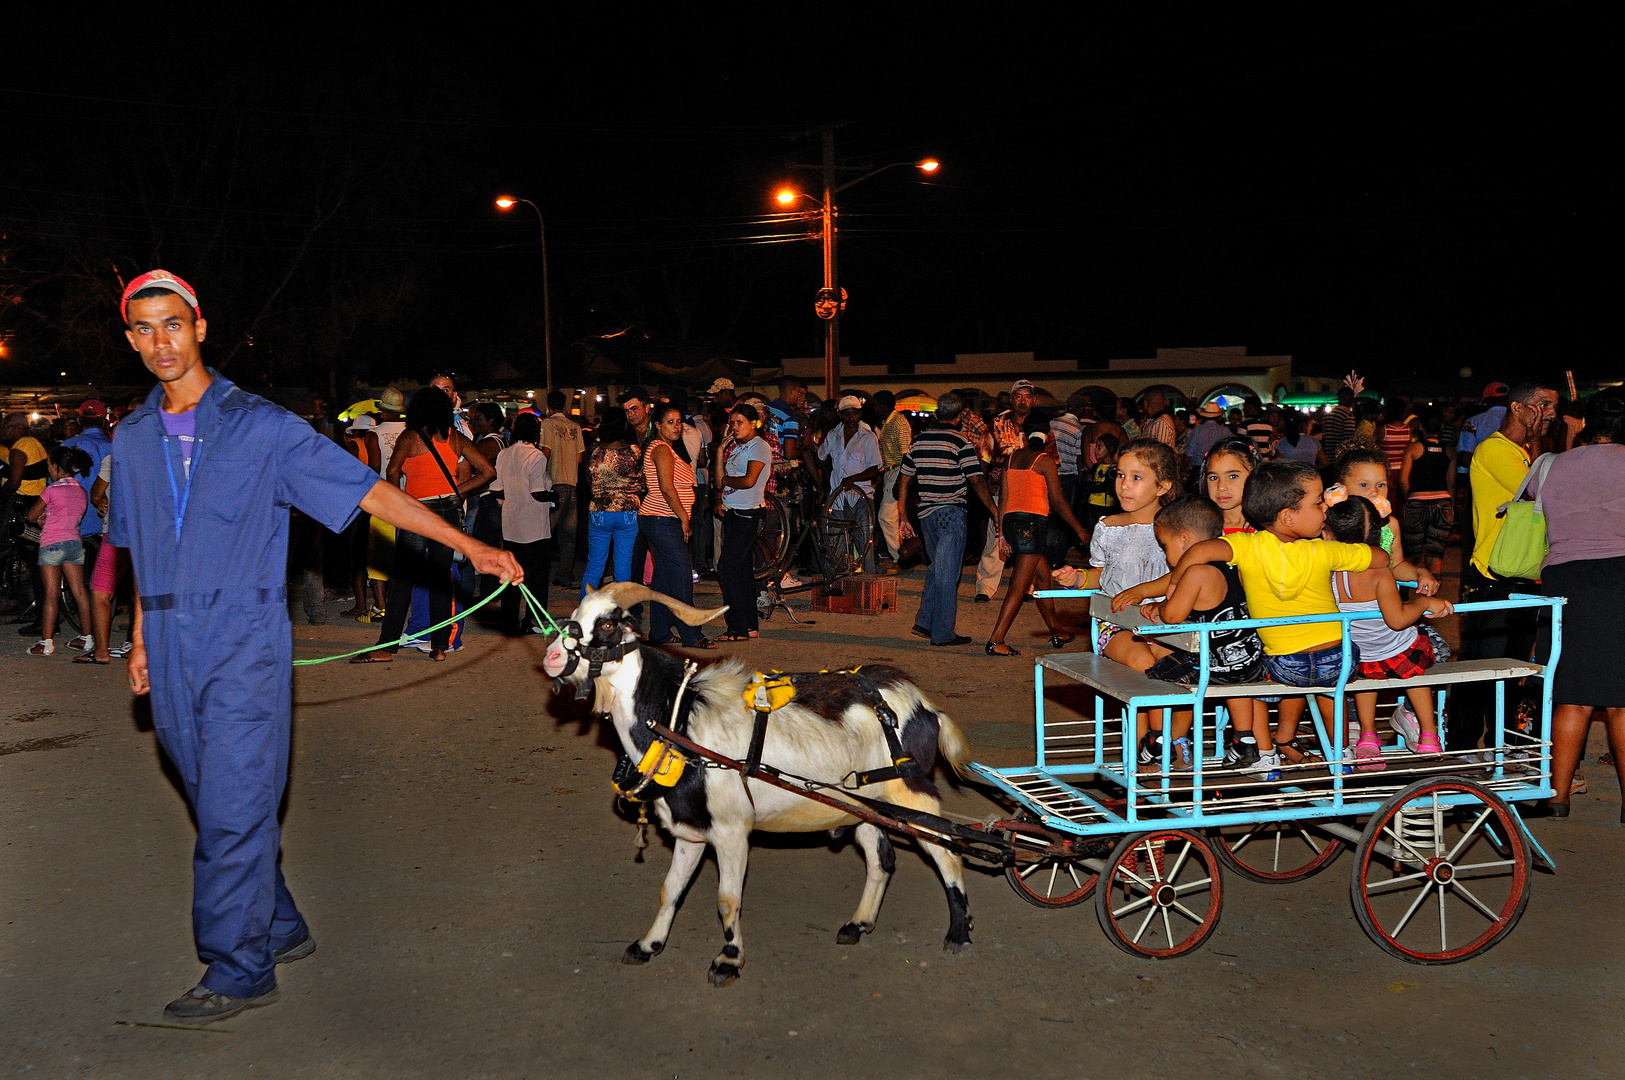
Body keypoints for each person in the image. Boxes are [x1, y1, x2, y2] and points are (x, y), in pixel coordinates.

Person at [110, 270, 519, 1024]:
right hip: (166, 637)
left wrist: (467, 546)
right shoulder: (130, 436)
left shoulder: (262, 426)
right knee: (213, 793)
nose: (159, 342)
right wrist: (139, 635)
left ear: (200, 326)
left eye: (172, 324)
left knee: (232, 805)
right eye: (143, 329)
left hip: (241, 635)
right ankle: (279, 921)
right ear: (130, 337)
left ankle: (238, 966)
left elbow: (369, 491)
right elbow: (137, 548)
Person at [1160, 460, 1386, 766]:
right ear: (1288, 517)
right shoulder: (1324, 551)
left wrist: (1174, 585)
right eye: (1318, 502)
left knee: (1252, 674)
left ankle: (1263, 752)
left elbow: (1199, 551)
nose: (1325, 510)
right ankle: (1341, 752)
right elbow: (1380, 558)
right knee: (1332, 692)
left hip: (1284, 665)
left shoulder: (1248, 546)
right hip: (1338, 659)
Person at [1528, 393, 1625, 817]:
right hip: (1621, 577)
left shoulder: (1550, 464)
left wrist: (1565, 442)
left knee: (1571, 692)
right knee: (1622, 700)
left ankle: (1557, 796)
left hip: (1565, 579)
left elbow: (1526, 503)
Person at [350, 386, 496, 663]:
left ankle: (386, 646)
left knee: (403, 580)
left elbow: (392, 471)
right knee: (441, 579)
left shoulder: (410, 436)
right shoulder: (455, 438)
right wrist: (460, 490)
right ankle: (439, 646)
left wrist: (398, 504)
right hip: (448, 512)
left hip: (418, 512)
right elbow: (489, 472)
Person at [1452, 380, 1558, 751]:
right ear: (1518, 408)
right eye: (1544, 405)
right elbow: (1539, 492)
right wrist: (1540, 444)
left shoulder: (1523, 453)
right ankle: (1461, 749)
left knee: (1512, 669)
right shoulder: (1495, 449)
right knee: (1480, 669)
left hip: (1522, 573)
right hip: (1492, 577)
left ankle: (1500, 745)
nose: (1551, 414)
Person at [1137, 496, 1275, 776]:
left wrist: (1157, 606)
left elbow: (1173, 616)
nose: (1165, 554)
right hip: (1250, 658)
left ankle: (1158, 736)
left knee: (1158, 673)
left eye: (1165, 546)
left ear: (1185, 540)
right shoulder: (1232, 563)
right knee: (1237, 682)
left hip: (1213, 665)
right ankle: (1245, 738)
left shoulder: (1196, 573)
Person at [1324, 496, 1453, 769]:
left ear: (1328, 533)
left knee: (1365, 678)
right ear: (1377, 535)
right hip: (1397, 649)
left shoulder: (1329, 573)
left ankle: (1368, 736)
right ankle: (1428, 733)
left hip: (1359, 656)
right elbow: (1397, 620)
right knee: (1416, 670)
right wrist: (1424, 603)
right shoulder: (1380, 573)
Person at [895, 392, 998, 648]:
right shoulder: (960, 441)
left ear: (936, 413)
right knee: (947, 575)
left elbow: (904, 480)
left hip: (926, 515)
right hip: (950, 513)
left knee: (937, 568)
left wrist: (904, 517)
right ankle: (942, 633)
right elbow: (976, 480)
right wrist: (995, 512)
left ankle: (925, 621)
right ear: (961, 415)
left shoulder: (918, 441)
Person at [984, 419, 1089, 657]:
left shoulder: (1010, 458)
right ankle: (996, 639)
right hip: (1031, 525)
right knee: (1019, 587)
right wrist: (1079, 529)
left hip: (1012, 523)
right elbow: (1059, 501)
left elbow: (1003, 498)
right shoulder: (1044, 461)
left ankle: (1057, 631)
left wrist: (1002, 534)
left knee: (1042, 577)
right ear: (1048, 436)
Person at [1074, 438, 1182, 670]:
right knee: (1142, 662)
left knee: (1173, 666)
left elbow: (1184, 575)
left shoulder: (1179, 529)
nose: (1124, 485)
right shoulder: (1108, 527)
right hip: (1117, 623)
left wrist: (1143, 592)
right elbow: (1101, 575)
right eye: (1121, 475)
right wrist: (1077, 578)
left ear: (1162, 486)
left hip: (1163, 619)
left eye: (1136, 477)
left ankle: (1162, 707)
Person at [639, 403, 712, 649]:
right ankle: (692, 634)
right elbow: (667, 489)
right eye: (669, 422)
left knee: (663, 578)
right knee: (682, 576)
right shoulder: (660, 449)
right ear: (658, 426)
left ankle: (659, 632)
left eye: (679, 421)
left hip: (662, 518)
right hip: (662, 518)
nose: (676, 426)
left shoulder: (667, 449)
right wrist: (684, 518)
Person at [1324, 448, 1440, 596]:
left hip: (1382, 605)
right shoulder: (1330, 525)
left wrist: (1420, 572)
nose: (1375, 492)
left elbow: (1396, 565)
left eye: (1381, 485)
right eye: (1364, 485)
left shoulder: (1390, 525)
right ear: (1339, 490)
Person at [25, 446, 94, 655]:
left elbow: (31, 516)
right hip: (74, 543)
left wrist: (42, 518)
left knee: (52, 594)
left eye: (49, 466)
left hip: (52, 544)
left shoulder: (51, 490)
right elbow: (74, 517)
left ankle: (46, 643)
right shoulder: (81, 492)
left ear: (55, 467)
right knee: (80, 592)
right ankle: (87, 638)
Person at [491, 412, 555, 635]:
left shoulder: (504, 454)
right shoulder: (536, 456)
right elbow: (537, 491)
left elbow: (495, 488)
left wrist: (511, 494)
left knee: (512, 573)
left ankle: (509, 618)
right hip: (534, 524)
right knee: (537, 576)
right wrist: (554, 497)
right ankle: (534, 620)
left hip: (511, 522)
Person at [714, 403, 771, 642]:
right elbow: (718, 483)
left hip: (748, 514)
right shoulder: (739, 448)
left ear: (753, 423)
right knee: (742, 572)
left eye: (739, 422)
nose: (734, 427)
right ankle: (749, 627)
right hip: (733, 513)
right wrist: (719, 452)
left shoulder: (758, 446)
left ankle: (737, 627)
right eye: (732, 422)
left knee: (727, 569)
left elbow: (749, 481)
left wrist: (726, 480)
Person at [816, 395, 883, 576]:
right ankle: (832, 583)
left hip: (862, 497)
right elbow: (821, 456)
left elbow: (874, 469)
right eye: (847, 413)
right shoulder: (833, 435)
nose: (851, 417)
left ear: (860, 414)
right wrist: (827, 476)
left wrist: (853, 478)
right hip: (838, 498)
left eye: (855, 413)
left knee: (865, 545)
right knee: (834, 542)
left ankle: (870, 583)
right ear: (840, 414)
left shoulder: (868, 437)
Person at [580, 408, 642, 597]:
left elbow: (588, 478)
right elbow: (641, 480)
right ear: (624, 425)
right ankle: (621, 614)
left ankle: (585, 610)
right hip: (628, 512)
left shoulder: (594, 451)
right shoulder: (634, 451)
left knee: (595, 566)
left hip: (600, 511)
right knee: (623, 568)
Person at [1399, 407, 1453, 579]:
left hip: (1417, 501)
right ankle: (1432, 594)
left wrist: (1412, 498)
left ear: (1421, 426)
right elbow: (1451, 483)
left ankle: (1404, 592)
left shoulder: (1413, 448)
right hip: (1443, 502)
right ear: (1442, 426)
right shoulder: (1450, 451)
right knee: (1435, 552)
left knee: (1411, 552)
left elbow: (1402, 479)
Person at [538, 390, 584, 588]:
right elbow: (580, 457)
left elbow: (546, 451)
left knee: (545, 533)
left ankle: (539, 573)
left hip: (554, 485)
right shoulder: (575, 427)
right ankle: (564, 575)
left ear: (548, 407)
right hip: (572, 484)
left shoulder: (547, 424)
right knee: (569, 536)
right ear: (565, 406)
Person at [1045, 393, 1087, 568]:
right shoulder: (1079, 429)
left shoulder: (1052, 423)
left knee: (1048, 516)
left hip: (1048, 473)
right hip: (1068, 475)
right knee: (1063, 518)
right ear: (1080, 410)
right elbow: (1078, 458)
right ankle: (1056, 558)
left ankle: (1045, 556)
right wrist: (1081, 479)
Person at [872, 391, 912, 564]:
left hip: (898, 471)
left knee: (886, 517)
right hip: (891, 472)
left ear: (883, 405)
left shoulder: (898, 422)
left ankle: (900, 558)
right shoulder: (888, 422)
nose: (874, 408)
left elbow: (906, 454)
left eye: (875, 404)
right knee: (892, 518)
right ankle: (903, 555)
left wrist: (901, 480)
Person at [1078, 431, 1120, 535]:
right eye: (1096, 447)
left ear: (1109, 448)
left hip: (1106, 507)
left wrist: (1093, 486)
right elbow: (1084, 482)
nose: (1096, 451)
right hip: (1092, 505)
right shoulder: (1096, 467)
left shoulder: (1114, 469)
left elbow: (1107, 486)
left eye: (1099, 447)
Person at [767, 376, 809, 462]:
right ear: (792, 391)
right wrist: (804, 445)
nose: (798, 396)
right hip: (780, 466)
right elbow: (789, 454)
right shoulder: (790, 417)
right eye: (798, 392)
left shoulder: (766, 408)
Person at [1184, 401, 1230, 472]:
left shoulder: (1198, 430)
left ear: (1203, 416)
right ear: (1218, 417)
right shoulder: (1225, 430)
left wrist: (1182, 469)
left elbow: (1189, 453)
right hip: (1219, 468)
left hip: (1199, 469)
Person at [1321, 386, 1357, 460]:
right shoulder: (1347, 415)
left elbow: (1325, 436)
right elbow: (1349, 439)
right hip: (1341, 457)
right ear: (1345, 397)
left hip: (1328, 457)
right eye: (1352, 396)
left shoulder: (1328, 415)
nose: (1353, 399)